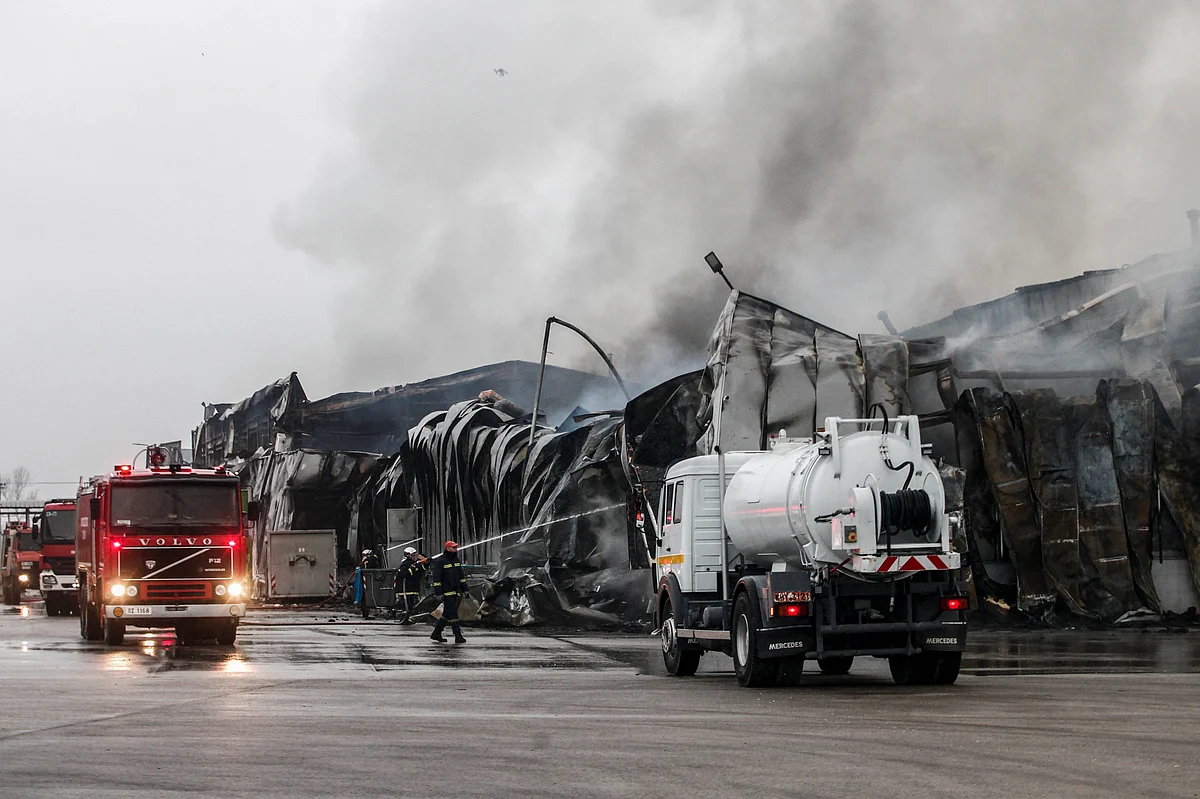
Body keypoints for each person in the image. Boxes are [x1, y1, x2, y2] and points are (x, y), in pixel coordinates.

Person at [430, 540, 467, 644]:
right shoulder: (441, 561)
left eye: (456, 547)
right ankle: (457, 635)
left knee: (447, 614)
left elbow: (461, 577)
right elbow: (437, 579)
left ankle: (436, 633)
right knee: (453, 614)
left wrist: (465, 589)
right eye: (453, 547)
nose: (456, 549)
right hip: (447, 593)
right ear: (448, 548)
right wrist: (438, 593)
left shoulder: (456, 560)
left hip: (455, 592)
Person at [391, 546, 428, 624]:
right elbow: (404, 574)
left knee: (411, 605)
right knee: (406, 606)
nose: (414, 557)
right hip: (406, 590)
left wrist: (427, 562)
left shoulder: (415, 564)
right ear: (408, 555)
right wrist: (412, 568)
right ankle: (404, 618)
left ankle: (408, 618)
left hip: (412, 589)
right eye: (413, 555)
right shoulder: (405, 564)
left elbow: (422, 570)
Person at [355, 548, 381, 620]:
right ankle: (365, 611)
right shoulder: (372, 560)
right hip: (369, 581)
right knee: (366, 596)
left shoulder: (368, 560)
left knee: (365, 597)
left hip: (367, 581)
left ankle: (365, 611)